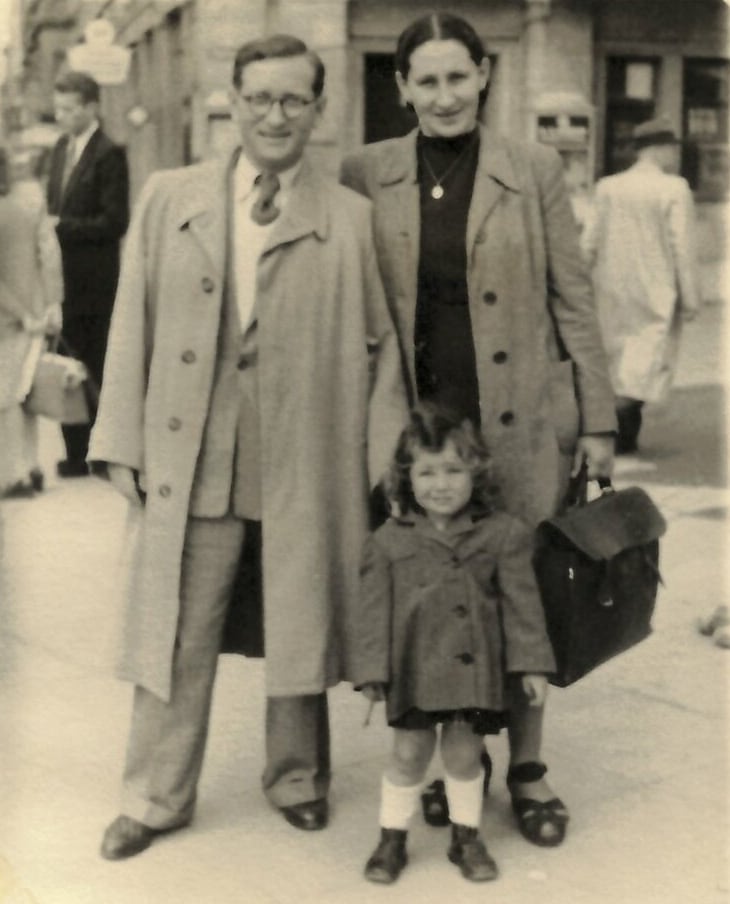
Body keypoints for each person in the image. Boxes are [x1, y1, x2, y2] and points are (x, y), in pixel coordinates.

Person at [89, 34, 406, 860]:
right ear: (230, 99)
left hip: (304, 451)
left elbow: (382, 351)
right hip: (192, 452)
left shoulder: (348, 217)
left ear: (317, 109)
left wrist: (384, 466)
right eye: (259, 97)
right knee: (175, 625)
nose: (275, 115)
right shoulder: (171, 197)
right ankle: (155, 795)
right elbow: (131, 321)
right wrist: (120, 436)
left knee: (299, 612)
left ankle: (298, 778)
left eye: (293, 99)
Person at [340, 12, 616, 847]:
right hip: (418, 431)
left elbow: (574, 299)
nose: (444, 95)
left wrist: (597, 421)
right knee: (434, 593)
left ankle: (527, 768)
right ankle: (459, 753)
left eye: (458, 76)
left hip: (523, 420)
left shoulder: (532, 170)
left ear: (485, 76)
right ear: (400, 90)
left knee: (522, 586)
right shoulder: (365, 171)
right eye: (425, 81)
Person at [353, 406, 556, 884]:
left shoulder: (503, 534)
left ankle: (467, 838)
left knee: (464, 755)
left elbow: (523, 608)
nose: (440, 484)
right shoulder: (387, 542)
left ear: (476, 474)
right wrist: (371, 671)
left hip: (475, 668)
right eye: (426, 472)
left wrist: (531, 666)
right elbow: (371, 615)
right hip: (415, 669)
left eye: (452, 471)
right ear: (407, 478)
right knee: (408, 754)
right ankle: (391, 838)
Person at [581, 115, 701, 454]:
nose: (674, 156)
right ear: (662, 149)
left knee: (616, 361)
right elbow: (683, 247)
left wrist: (578, 285)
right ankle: (618, 428)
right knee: (645, 364)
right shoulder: (675, 189)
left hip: (610, 289)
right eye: (672, 149)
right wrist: (691, 298)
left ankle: (621, 433)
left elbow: (588, 243)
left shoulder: (607, 186)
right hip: (657, 289)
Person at [46, 70, 129, 478]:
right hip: (63, 279)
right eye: (58, 108)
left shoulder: (109, 153)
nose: (61, 116)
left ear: (92, 107)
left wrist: (61, 226)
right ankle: (74, 452)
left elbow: (115, 221)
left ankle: (99, 450)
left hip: (95, 282)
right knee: (65, 364)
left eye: (69, 109)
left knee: (94, 363)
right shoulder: (61, 149)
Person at [0, 147, 63, 498]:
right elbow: (50, 254)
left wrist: (18, 313)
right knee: (26, 394)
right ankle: (33, 463)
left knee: (5, 398)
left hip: (9, 319)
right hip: (36, 311)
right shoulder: (29, 206)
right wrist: (52, 303)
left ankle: (13, 475)